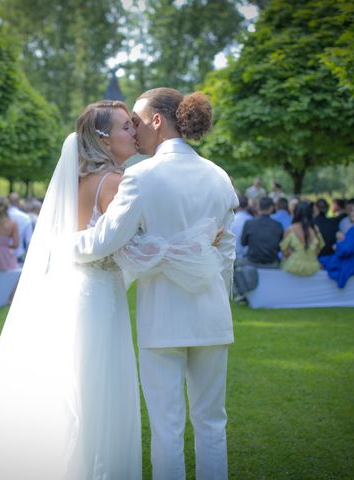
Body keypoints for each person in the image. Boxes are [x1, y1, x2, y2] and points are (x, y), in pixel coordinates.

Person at [0, 100, 145, 478]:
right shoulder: (115, 182)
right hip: (101, 296)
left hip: (72, 290)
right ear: (105, 140)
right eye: (127, 126)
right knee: (98, 388)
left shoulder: (74, 182)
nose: (135, 132)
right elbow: (129, 244)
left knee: (72, 384)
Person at [72, 89, 237, 479]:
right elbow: (226, 253)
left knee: (167, 427)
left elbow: (104, 241)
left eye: (140, 122)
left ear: (158, 121)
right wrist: (219, 300)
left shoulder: (141, 176)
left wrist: (62, 244)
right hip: (213, 315)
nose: (136, 130)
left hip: (162, 318)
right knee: (213, 423)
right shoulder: (219, 176)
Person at [319, 203, 354, 288]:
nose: (353, 213)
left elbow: (346, 250)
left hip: (351, 262)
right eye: (352, 211)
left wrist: (337, 245)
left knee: (321, 262)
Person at [280, 201, 324, 276]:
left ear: (296, 213)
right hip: (312, 267)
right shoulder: (315, 229)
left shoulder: (290, 230)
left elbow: (285, 253)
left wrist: (294, 253)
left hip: (293, 267)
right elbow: (318, 251)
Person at [240, 196, 283, 268]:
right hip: (272, 263)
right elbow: (279, 247)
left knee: (235, 264)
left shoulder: (249, 223)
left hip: (251, 262)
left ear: (258, 207)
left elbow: (243, 243)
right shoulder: (278, 225)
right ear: (271, 208)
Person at [8, 192, 33, 262]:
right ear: (18, 202)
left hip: (3, 254)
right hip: (19, 254)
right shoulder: (26, 218)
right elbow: (29, 240)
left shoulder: (2, 217)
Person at [231, 194, 253, 259]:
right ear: (247, 206)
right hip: (247, 257)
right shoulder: (252, 220)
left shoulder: (231, 220)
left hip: (232, 256)